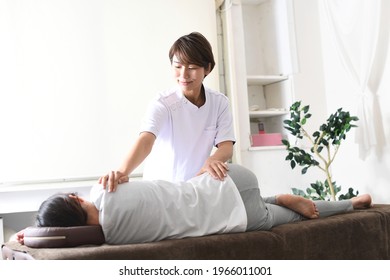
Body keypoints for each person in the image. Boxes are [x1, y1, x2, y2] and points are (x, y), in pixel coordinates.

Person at [16, 164, 372, 245]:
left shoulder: (112, 238)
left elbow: (46, 238)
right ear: (75, 199)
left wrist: (23, 236)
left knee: (297, 217)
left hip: (242, 218)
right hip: (227, 177)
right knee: (199, 196)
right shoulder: (106, 188)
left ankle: (349, 204)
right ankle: (277, 195)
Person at [99, 32, 235, 192]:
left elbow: (226, 146)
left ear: (207, 69)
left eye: (192, 68)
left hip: (196, 190)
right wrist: (122, 172)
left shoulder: (219, 103)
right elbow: (145, 141)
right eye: (178, 67)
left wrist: (212, 160)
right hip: (161, 190)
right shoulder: (163, 103)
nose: (183, 75)